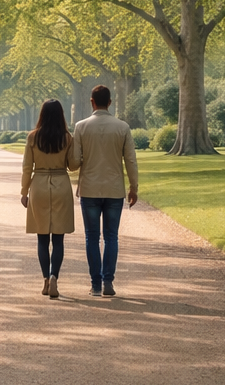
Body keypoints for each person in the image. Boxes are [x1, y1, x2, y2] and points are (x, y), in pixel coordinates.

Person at [71, 84, 139, 297]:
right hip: (114, 188)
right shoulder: (122, 127)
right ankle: (108, 280)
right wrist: (133, 187)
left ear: (91, 101)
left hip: (90, 188)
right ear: (110, 102)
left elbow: (73, 163)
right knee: (111, 236)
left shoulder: (81, 127)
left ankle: (96, 284)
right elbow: (130, 160)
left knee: (92, 237)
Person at [20, 99, 77, 299]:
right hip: (61, 183)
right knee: (59, 238)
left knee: (42, 238)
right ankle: (54, 276)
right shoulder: (66, 138)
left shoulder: (33, 137)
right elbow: (73, 165)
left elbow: (27, 167)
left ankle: (45, 278)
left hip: (40, 184)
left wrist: (24, 191)